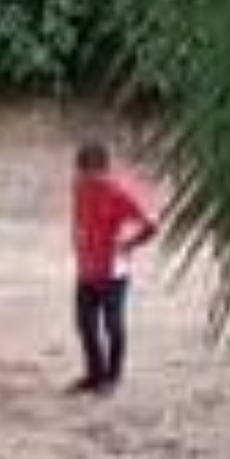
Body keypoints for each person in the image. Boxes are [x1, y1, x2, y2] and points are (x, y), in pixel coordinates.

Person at [70, 140, 157, 395]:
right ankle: (94, 375)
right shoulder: (79, 188)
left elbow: (151, 223)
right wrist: (79, 243)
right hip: (87, 269)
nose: (85, 177)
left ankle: (113, 377)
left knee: (113, 325)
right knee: (85, 325)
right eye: (82, 171)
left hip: (114, 273)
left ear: (102, 169)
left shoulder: (118, 193)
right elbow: (79, 218)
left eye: (89, 172)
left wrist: (130, 244)